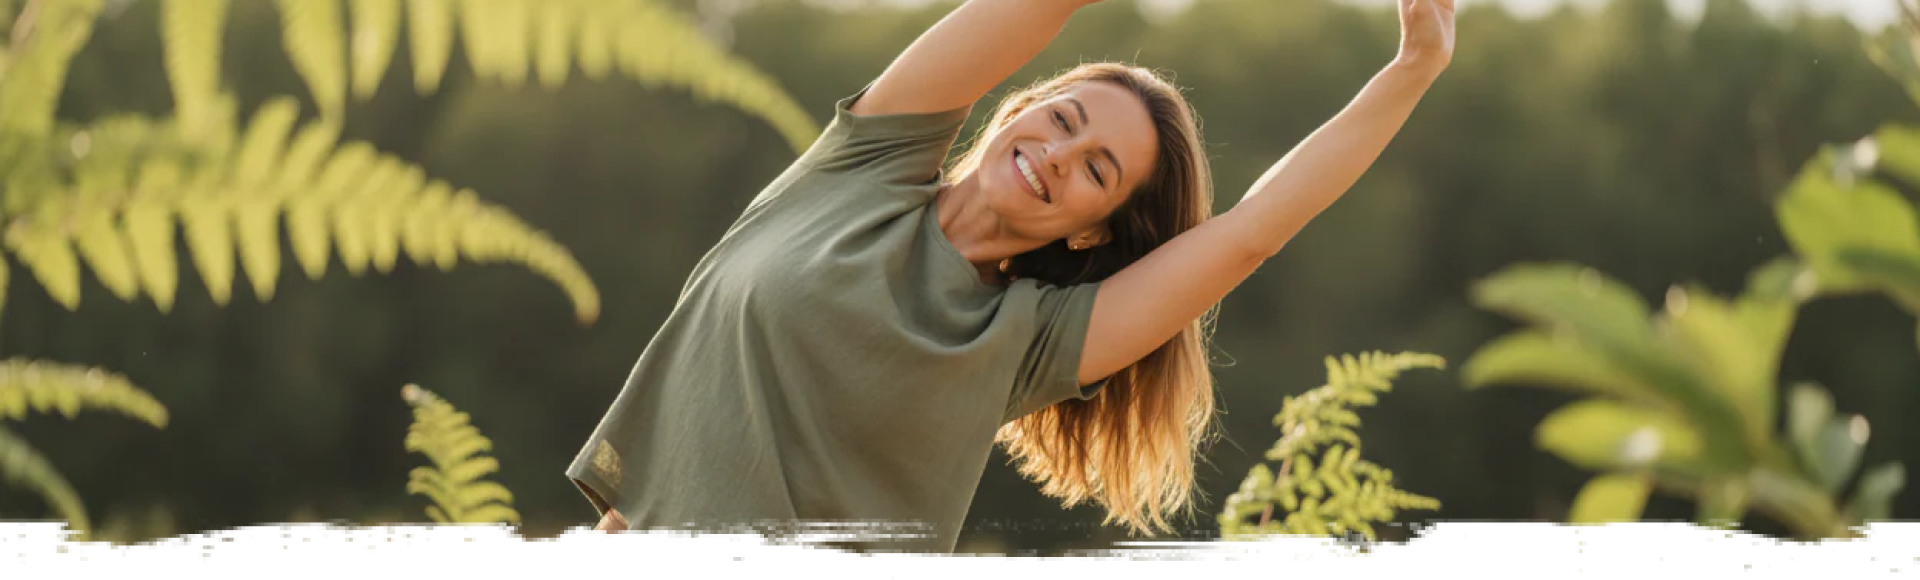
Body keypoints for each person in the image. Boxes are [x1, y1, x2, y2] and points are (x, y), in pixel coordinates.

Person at [569, 0, 1456, 556]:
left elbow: (1250, 234)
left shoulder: (1026, 339)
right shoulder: (856, 170)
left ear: (1094, 229)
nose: (1061, 154)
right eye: (1063, 120)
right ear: (1018, 109)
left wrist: (1413, 67)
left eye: (1098, 168)